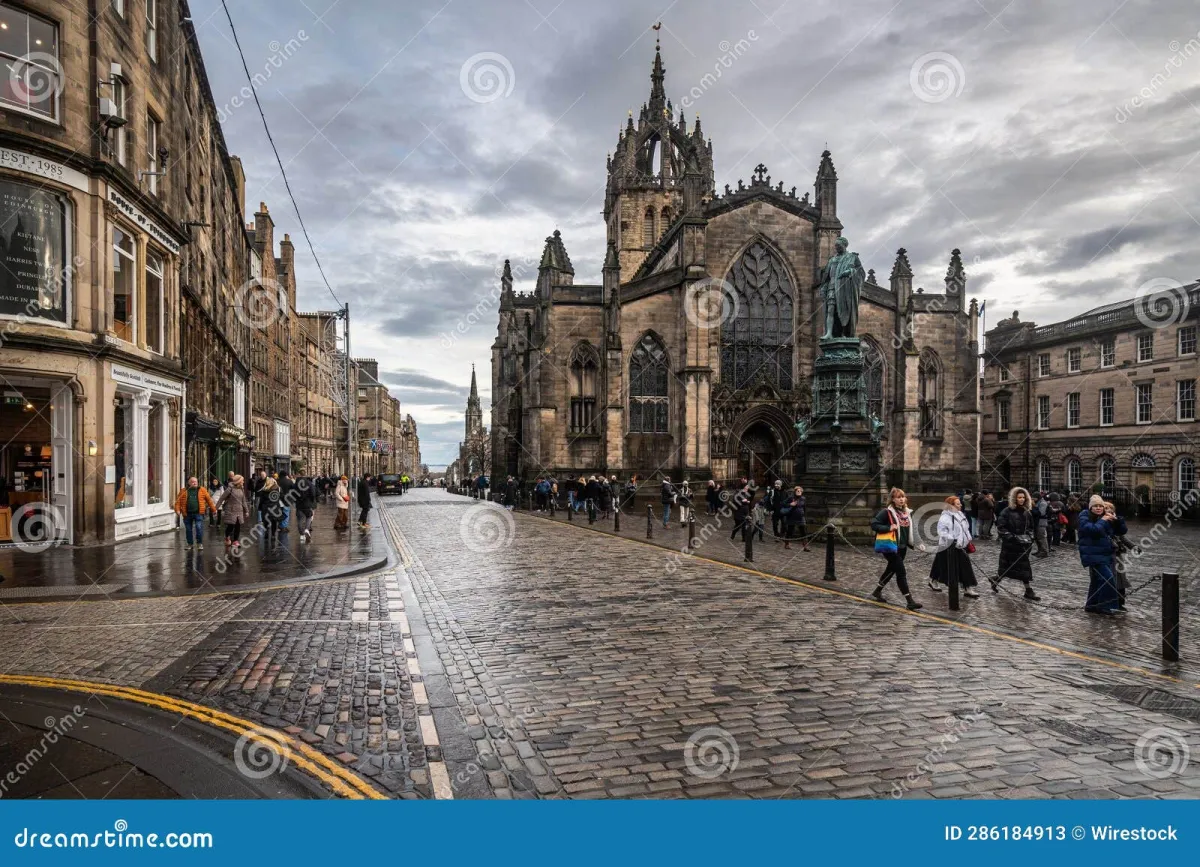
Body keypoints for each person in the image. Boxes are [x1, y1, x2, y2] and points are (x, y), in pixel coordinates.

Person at [870, 487, 926, 610]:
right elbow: (874, 524)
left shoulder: (907, 512)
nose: (901, 499)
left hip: (902, 547)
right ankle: (909, 601)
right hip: (890, 547)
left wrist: (919, 542)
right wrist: (888, 528)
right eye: (898, 497)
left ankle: (877, 591)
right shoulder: (887, 512)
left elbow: (912, 530)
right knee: (901, 572)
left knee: (891, 569)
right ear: (893, 500)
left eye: (902, 496)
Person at [1077, 494, 1126, 615]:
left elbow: (1121, 531)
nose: (1098, 508)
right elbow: (1093, 530)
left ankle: (1091, 605)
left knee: (1097, 581)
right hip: (1092, 555)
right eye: (1095, 506)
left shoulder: (1104, 518)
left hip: (1105, 554)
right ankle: (1106, 606)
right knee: (1108, 579)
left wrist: (1117, 521)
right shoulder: (1084, 517)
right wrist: (1104, 520)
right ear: (1090, 508)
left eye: (1100, 506)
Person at [992, 487, 1040, 601]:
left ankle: (1027, 590)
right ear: (1015, 498)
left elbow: (1031, 528)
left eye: (1023, 497)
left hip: (1023, 545)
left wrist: (1030, 537)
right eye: (1019, 497)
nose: (1022, 499)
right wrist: (1012, 537)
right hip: (1010, 546)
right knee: (1009, 567)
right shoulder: (1006, 512)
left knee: (1023, 568)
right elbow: (1001, 528)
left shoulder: (1027, 512)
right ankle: (1028, 590)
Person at [928, 495, 979, 597]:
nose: (960, 505)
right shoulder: (945, 517)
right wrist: (952, 539)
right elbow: (941, 531)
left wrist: (968, 538)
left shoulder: (960, 514)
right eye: (958, 504)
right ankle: (934, 580)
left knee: (964, 566)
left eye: (960, 503)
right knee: (942, 565)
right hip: (948, 546)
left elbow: (965, 528)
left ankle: (967, 587)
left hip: (960, 545)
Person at [1107, 501, 1137, 611]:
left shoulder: (1116, 525)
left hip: (1118, 555)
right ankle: (1111, 602)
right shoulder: (1104, 525)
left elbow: (1123, 537)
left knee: (1121, 580)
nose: (1110, 514)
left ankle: (1120, 602)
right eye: (1107, 512)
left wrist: (1133, 546)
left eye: (1111, 512)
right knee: (1111, 579)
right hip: (1109, 555)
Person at [174, 476, 217, 551]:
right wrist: (177, 510)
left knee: (198, 527)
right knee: (188, 529)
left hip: (199, 513)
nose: (194, 483)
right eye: (192, 481)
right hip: (187, 514)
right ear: (189, 483)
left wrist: (214, 509)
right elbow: (178, 502)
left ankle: (199, 543)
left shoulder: (202, 490)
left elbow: (209, 500)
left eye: (196, 481)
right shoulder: (183, 490)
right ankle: (190, 544)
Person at [216, 475, 251, 550]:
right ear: (238, 481)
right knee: (231, 526)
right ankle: (227, 536)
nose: (243, 482)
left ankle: (235, 541)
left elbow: (243, 500)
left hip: (239, 510)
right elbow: (222, 498)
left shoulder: (241, 489)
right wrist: (215, 508)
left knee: (238, 526)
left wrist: (246, 511)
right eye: (242, 480)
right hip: (231, 510)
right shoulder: (230, 489)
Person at [782, 485, 809, 551]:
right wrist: (790, 504)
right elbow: (783, 504)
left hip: (800, 517)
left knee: (803, 532)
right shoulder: (791, 498)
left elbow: (804, 507)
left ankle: (805, 546)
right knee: (790, 531)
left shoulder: (803, 498)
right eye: (798, 491)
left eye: (800, 491)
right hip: (792, 517)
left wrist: (804, 514)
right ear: (795, 491)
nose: (799, 492)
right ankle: (786, 544)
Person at [259, 476, 283, 542]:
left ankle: (266, 531)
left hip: (266, 508)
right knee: (274, 522)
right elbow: (281, 497)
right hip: (274, 508)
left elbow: (261, 500)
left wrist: (260, 507)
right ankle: (273, 535)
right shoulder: (277, 489)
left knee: (266, 521)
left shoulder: (264, 490)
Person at [295, 475, 316, 542]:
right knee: (309, 517)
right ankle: (307, 529)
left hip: (299, 505)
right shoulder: (309, 483)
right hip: (307, 504)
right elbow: (313, 493)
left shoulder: (296, 484)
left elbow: (293, 494)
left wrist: (296, 500)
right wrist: (311, 501)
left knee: (300, 519)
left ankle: (301, 534)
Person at [1033, 491, 1051, 557]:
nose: (1033, 499)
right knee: (1037, 537)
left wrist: (1033, 507)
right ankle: (1040, 550)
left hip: (1041, 522)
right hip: (1036, 522)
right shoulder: (1038, 502)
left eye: (1034, 498)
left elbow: (1041, 513)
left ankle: (1044, 551)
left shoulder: (1043, 503)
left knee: (1042, 537)